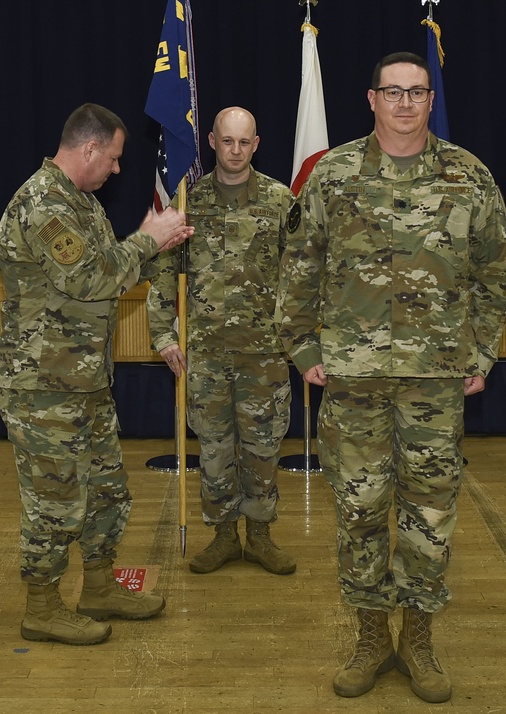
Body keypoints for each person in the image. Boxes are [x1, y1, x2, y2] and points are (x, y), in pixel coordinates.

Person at [278, 52, 506, 703]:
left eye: (416, 92)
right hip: (352, 379)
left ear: (430, 100)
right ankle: (371, 636)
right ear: (372, 99)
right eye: (393, 92)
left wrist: (483, 351)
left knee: (430, 511)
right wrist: (301, 346)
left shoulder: (468, 177)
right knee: (358, 510)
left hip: (436, 381)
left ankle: (419, 638)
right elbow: (297, 265)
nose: (405, 103)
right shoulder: (334, 176)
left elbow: (495, 271)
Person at [0, 103, 194, 646]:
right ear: (88, 149)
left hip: (83, 382)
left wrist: (164, 248)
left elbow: (113, 270)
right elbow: (88, 278)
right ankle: (41, 606)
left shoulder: (81, 204)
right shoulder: (43, 203)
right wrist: (149, 239)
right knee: (54, 502)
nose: (117, 168)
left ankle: (100, 586)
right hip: (42, 387)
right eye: (113, 157)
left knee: (106, 491)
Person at [146, 107, 296, 577]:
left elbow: (303, 274)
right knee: (213, 449)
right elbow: (162, 272)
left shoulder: (280, 200)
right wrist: (164, 335)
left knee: (263, 448)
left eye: (243, 142)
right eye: (226, 141)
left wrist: (304, 338)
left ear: (256, 144)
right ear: (211, 141)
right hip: (206, 354)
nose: (235, 150)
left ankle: (261, 536)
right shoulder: (187, 200)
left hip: (265, 353)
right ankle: (224, 536)